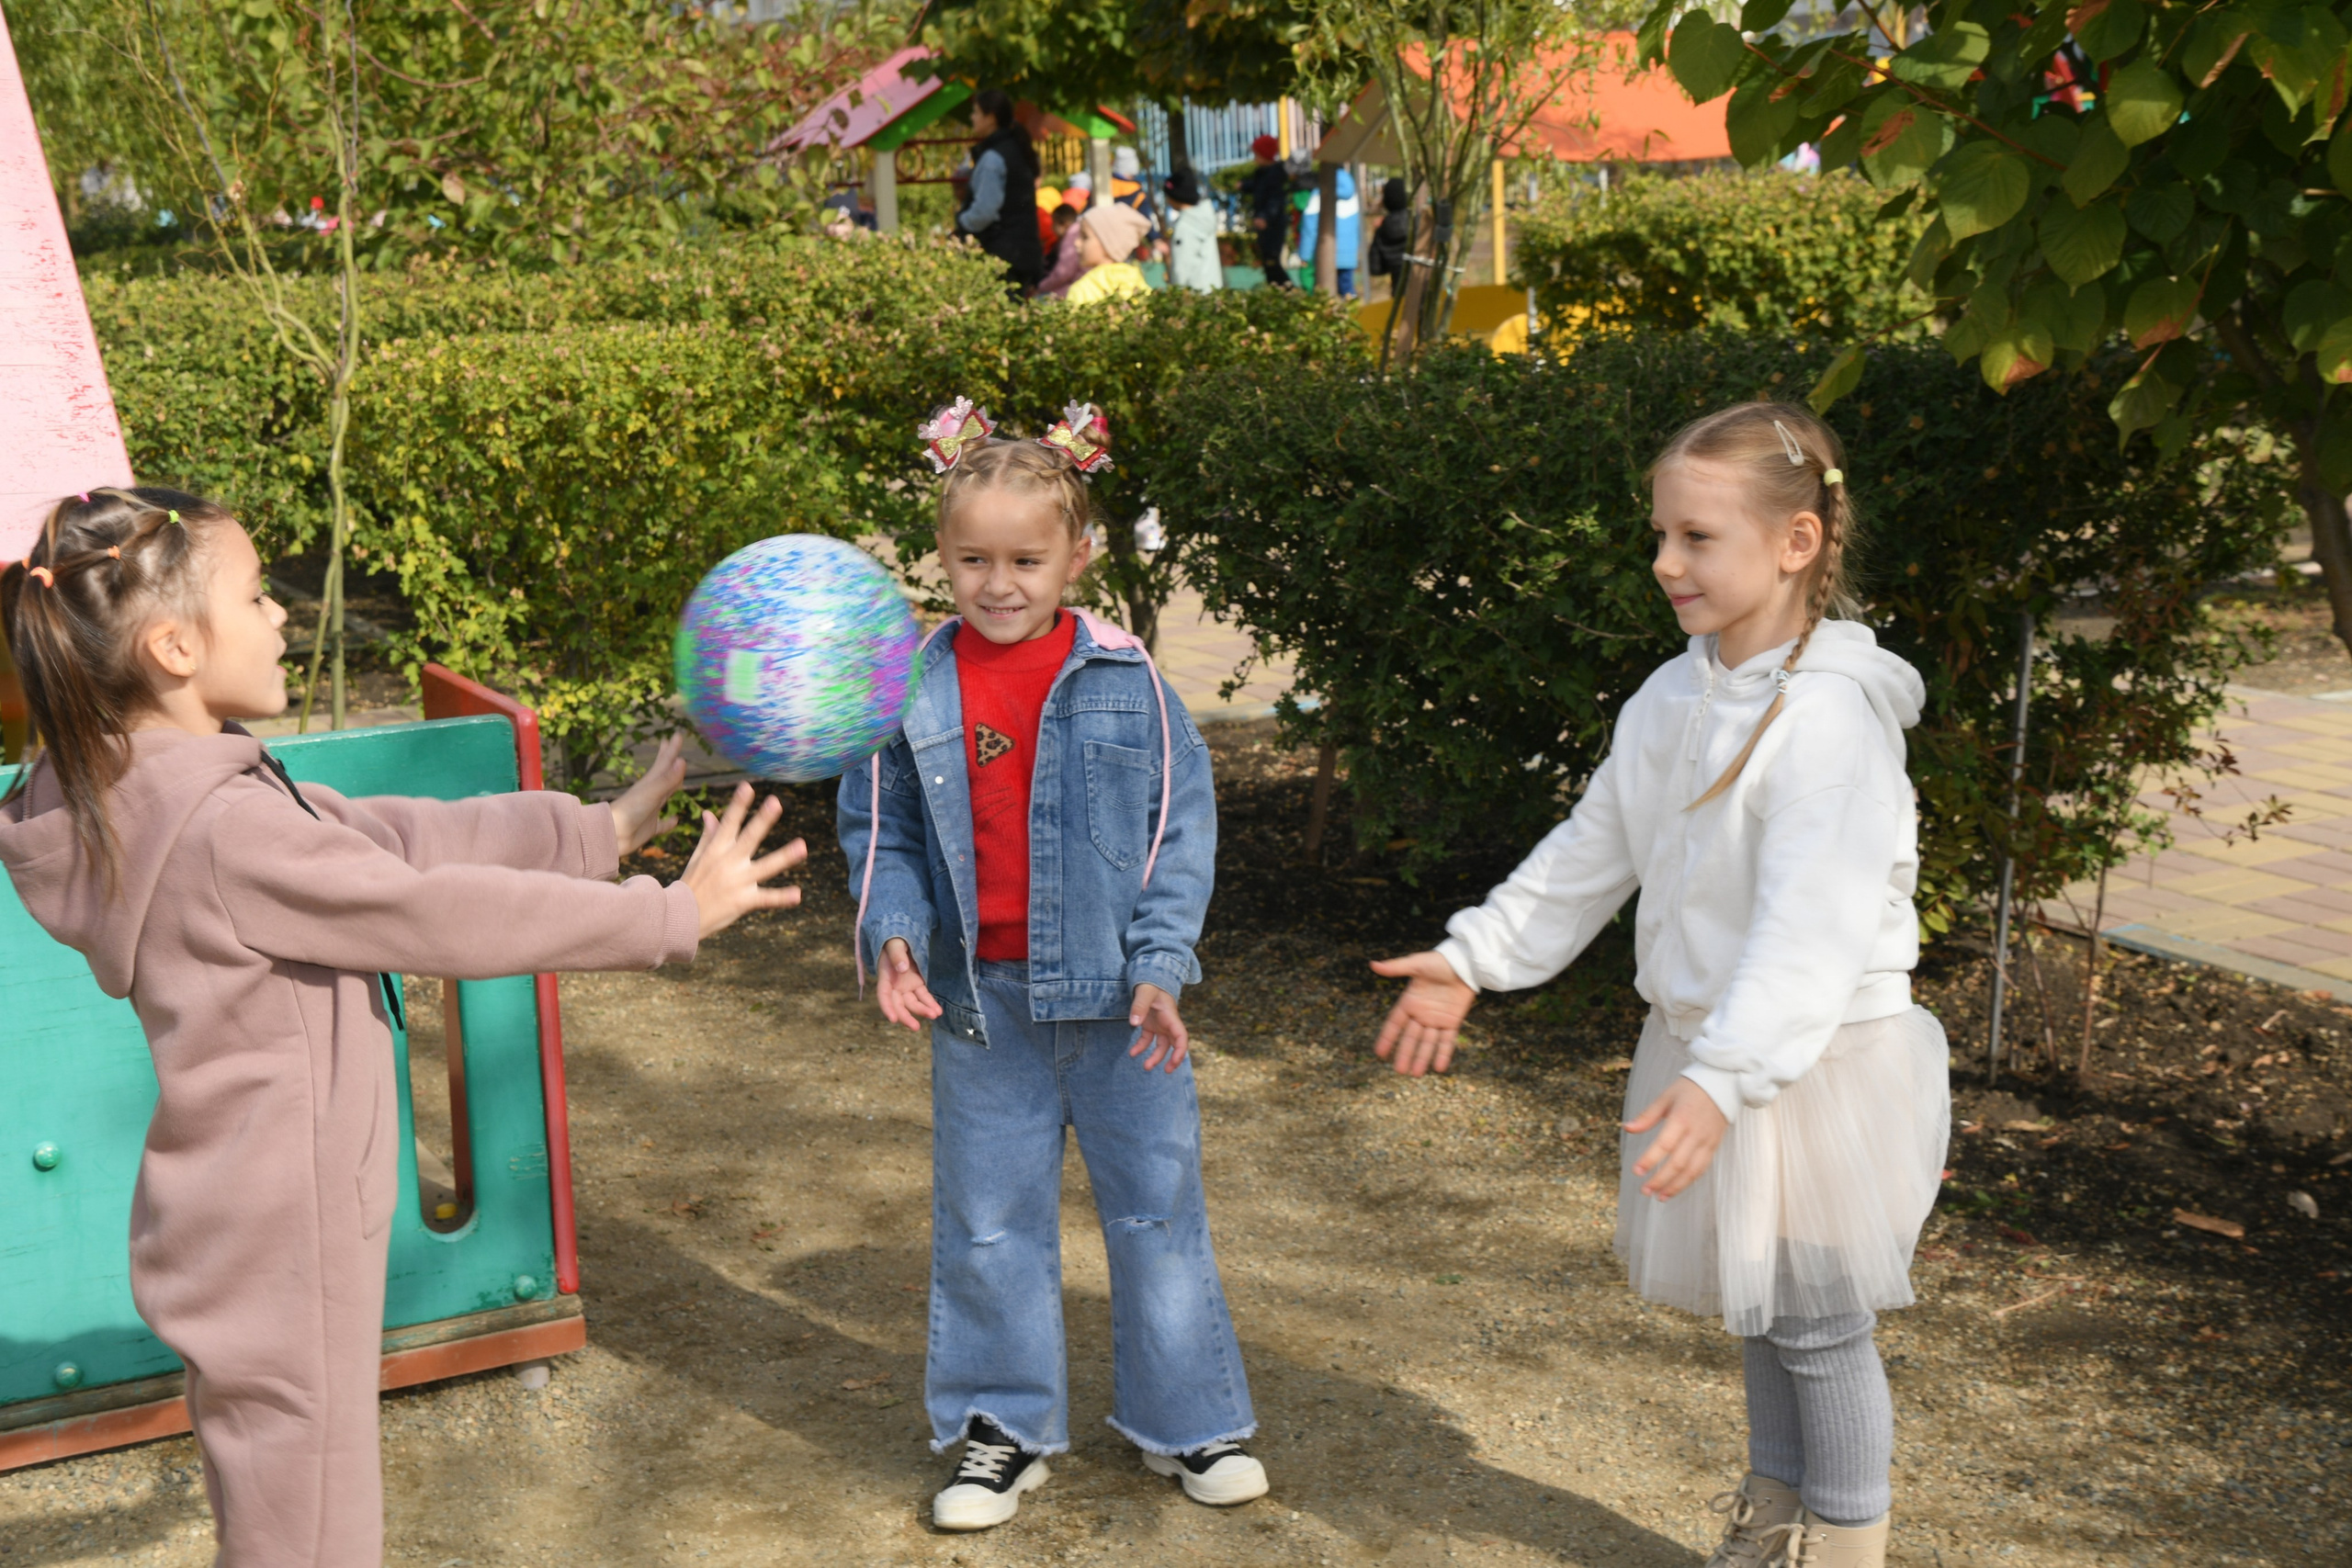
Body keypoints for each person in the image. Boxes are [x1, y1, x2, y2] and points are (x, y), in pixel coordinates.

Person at [0, 487, 806, 1567]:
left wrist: (590, 831)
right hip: (284, 1226)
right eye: (256, 595)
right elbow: (432, 913)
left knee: (285, 1495)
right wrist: (670, 913)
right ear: (175, 647)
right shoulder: (225, 829)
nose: (284, 614)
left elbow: (388, 837)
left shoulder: (143, 788)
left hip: (240, 1213)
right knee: (311, 1521)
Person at [1368, 404, 1944, 1568]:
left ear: (1794, 543)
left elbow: (1810, 929)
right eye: (1659, 536)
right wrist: (1475, 958)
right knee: (1760, 1306)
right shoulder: (1671, 697)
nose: (1664, 564)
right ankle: (1776, 1518)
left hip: (1815, 1064)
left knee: (1818, 1322)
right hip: (1716, 1053)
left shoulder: (1831, 719)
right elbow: (1594, 849)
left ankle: (1843, 1548)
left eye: (1695, 538)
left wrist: (1728, 1074)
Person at [840, 400, 1264, 1533]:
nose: (999, 582)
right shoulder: (914, 686)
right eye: (972, 558)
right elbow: (877, 829)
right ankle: (999, 1427)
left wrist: (1164, 966)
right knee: (988, 1221)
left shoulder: (1130, 682)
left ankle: (1191, 1421)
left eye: (1026, 558)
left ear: (1076, 555)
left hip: (1129, 1007)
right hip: (982, 1009)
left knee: (1157, 1211)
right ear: (942, 555)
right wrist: (891, 933)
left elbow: (1183, 830)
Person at [956, 88, 1045, 291]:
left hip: (1003, 257)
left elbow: (985, 210)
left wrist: (961, 222)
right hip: (1024, 254)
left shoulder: (993, 158)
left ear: (991, 118)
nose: (972, 118)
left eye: (976, 112)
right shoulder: (1017, 148)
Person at [1062, 202, 1153, 307]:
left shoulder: (1081, 289)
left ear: (1109, 244)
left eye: (1085, 237)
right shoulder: (1137, 281)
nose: (1076, 243)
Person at [1238, 134, 1294, 288]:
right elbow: (1258, 188)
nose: (1254, 158)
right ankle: (1276, 289)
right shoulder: (1262, 173)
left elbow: (1275, 200)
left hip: (1273, 226)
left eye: (1256, 154)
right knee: (1268, 261)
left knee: (1272, 261)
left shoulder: (1275, 174)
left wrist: (1265, 217)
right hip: (1265, 224)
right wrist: (1244, 186)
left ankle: (1287, 288)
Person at [1297, 167, 1361, 298]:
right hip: (1349, 255)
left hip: (1324, 254)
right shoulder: (1353, 196)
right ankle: (1354, 314)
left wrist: (1304, 254)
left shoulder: (1318, 194)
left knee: (1324, 292)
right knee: (1347, 290)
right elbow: (1357, 228)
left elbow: (1309, 229)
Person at [1162, 168, 1223, 294]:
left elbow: (1183, 265)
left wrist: (1179, 291)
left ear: (1176, 196)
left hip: (1194, 294)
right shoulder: (1203, 217)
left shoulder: (1185, 226)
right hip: (1210, 288)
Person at [1034, 203, 1087, 299]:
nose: (1051, 228)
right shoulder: (1078, 232)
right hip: (1078, 286)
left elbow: (1062, 273)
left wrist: (1041, 287)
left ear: (1064, 225)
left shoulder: (1070, 238)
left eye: (1053, 223)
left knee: (1038, 300)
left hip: (1073, 290)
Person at [1366, 175, 1411, 289]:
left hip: (1398, 292)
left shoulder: (1382, 231)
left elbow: (1375, 268)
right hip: (1425, 290)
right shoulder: (1418, 224)